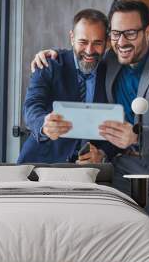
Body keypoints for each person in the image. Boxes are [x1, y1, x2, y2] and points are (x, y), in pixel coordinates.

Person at [30, 0, 149, 219]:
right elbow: (84, 50)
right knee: (108, 225)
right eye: (116, 33)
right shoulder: (111, 58)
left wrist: (136, 136)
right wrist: (49, 55)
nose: (121, 42)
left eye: (130, 33)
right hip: (120, 166)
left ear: (148, 32)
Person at [17, 9, 118, 164]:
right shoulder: (48, 64)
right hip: (41, 162)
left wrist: (103, 154)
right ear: (72, 38)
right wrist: (44, 124)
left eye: (97, 43)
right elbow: (31, 107)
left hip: (90, 170)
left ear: (107, 42)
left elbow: (119, 125)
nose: (89, 51)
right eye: (83, 42)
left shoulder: (114, 72)